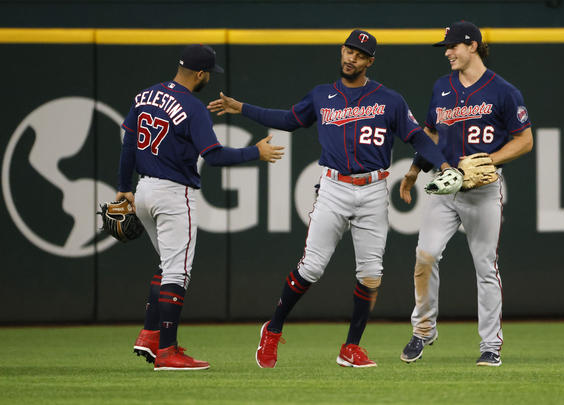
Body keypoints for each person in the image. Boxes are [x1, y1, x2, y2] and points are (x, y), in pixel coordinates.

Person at [208, 30, 451, 368]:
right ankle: (273, 329)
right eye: (348, 50)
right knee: (311, 268)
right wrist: (241, 108)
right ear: (342, 51)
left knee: (370, 274)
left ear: (370, 61)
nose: (351, 57)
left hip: (373, 190)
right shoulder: (322, 95)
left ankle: (351, 347)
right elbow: (289, 120)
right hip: (334, 189)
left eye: (359, 54)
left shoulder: (389, 100)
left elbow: (418, 138)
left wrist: (442, 165)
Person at [116, 44, 284, 371]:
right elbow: (215, 155)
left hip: (144, 190)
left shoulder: (144, 96)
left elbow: (127, 144)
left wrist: (123, 187)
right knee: (178, 271)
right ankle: (167, 352)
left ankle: (150, 335)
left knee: (167, 265)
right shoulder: (192, 107)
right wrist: (256, 152)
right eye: (209, 73)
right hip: (174, 194)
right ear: (200, 74)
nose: (209, 78)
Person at [399, 21, 533, 367]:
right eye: (446, 47)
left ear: (472, 45)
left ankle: (491, 345)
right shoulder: (441, 87)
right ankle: (423, 331)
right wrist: (414, 171)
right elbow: (429, 133)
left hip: (483, 190)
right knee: (425, 257)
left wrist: (490, 158)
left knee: (485, 267)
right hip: (445, 188)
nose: (447, 52)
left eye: (452, 46)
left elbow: (525, 140)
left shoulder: (504, 91)